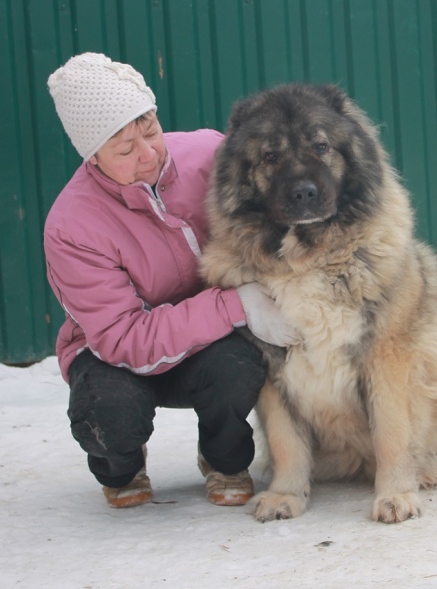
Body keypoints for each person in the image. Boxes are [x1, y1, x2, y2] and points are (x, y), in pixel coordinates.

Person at [44, 52, 298, 509]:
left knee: (238, 368)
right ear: (92, 157)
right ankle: (122, 465)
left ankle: (222, 459)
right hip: (113, 357)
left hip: (208, 343)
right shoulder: (71, 226)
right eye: (124, 149)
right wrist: (236, 304)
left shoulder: (208, 154)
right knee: (108, 414)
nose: (148, 155)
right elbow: (123, 337)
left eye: (151, 131)